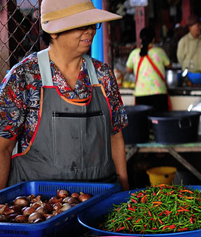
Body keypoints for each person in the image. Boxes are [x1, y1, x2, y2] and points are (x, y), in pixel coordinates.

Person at [0, 0, 130, 190]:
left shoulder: (103, 75)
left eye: (93, 24)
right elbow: (2, 148)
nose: (91, 31)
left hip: (100, 197)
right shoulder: (23, 77)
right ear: (53, 31)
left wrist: (124, 191)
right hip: (39, 204)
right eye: (81, 25)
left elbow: (115, 137)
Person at [126, 27, 172, 112]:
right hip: (159, 92)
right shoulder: (159, 52)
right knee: (159, 122)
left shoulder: (134, 53)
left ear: (140, 40)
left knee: (143, 123)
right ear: (154, 40)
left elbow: (128, 69)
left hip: (141, 93)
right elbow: (169, 65)